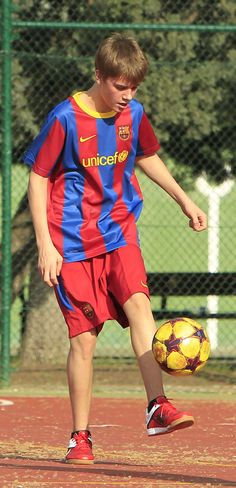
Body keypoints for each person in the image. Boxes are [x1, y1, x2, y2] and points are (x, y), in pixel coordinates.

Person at [23, 32, 207, 465]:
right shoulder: (65, 118)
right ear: (99, 76)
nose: (127, 95)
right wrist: (45, 245)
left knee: (139, 304)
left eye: (134, 87)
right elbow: (37, 177)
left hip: (119, 230)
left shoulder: (134, 113)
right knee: (84, 340)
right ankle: (79, 436)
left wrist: (184, 199)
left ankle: (157, 406)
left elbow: (145, 155)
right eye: (120, 86)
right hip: (71, 241)